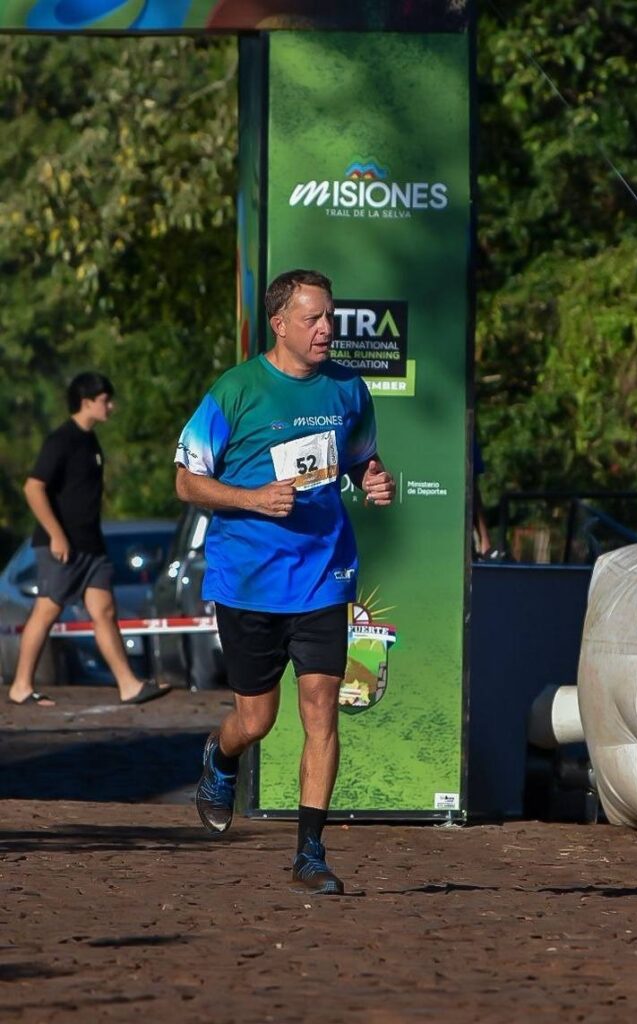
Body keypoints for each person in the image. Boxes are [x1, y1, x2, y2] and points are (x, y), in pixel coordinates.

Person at [174, 269, 396, 895]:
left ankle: (311, 854)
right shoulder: (236, 391)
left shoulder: (349, 389)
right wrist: (249, 498)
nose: (327, 328)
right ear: (279, 324)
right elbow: (186, 482)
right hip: (249, 579)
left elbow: (361, 461)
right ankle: (220, 756)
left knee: (323, 708)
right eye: (312, 318)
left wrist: (376, 481)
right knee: (257, 720)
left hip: (325, 574)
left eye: (330, 316)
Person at [8, 372, 172, 708]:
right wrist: (56, 535)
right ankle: (21, 686)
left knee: (105, 611)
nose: (110, 406)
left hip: (91, 545)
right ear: (86, 402)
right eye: (105, 400)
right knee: (47, 610)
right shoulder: (62, 440)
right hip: (62, 546)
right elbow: (33, 487)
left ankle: (128, 685)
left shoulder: (90, 441)